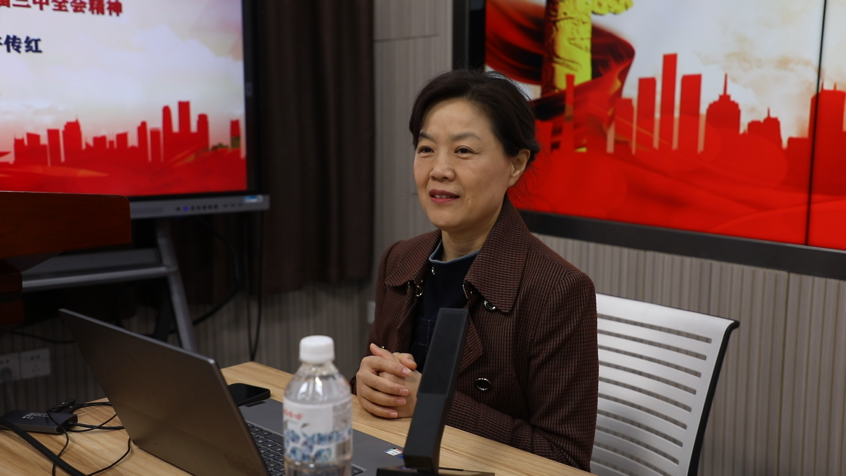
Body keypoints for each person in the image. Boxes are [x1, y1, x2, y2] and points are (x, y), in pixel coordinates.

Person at [352, 69, 598, 470]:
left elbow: (564, 458)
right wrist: (366, 384)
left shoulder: (559, 289)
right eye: (426, 148)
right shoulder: (399, 259)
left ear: (516, 164)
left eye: (463, 150)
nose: (439, 169)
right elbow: (386, 392)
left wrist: (433, 402)